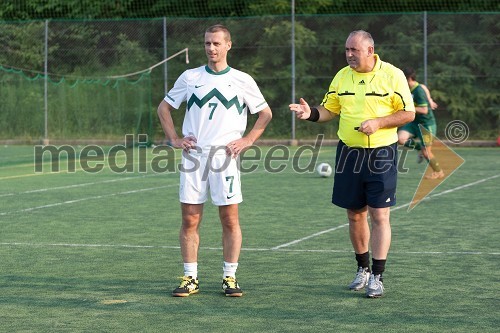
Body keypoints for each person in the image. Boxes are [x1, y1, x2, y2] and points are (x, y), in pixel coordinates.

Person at [289, 30, 415, 298]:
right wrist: (309, 113)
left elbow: (408, 113)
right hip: (348, 153)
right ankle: (363, 269)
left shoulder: (392, 75)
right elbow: (329, 110)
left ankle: (378, 276)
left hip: (381, 153)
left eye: (354, 50)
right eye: (346, 50)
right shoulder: (342, 76)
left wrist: (379, 122)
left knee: (379, 214)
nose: (348, 55)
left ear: (370, 51)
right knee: (354, 213)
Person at [157, 24, 272, 297]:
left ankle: (229, 278)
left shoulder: (243, 80)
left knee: (230, 219)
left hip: (225, 158)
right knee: (190, 219)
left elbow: (265, 114)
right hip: (194, 158)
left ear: (228, 45)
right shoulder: (190, 77)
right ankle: (190, 278)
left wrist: (248, 140)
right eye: (208, 43)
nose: (211, 48)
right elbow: (164, 108)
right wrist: (175, 139)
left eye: (217, 43)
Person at [398, 67, 444, 179]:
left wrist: (408, 107)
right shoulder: (409, 88)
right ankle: (419, 148)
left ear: (408, 78)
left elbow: (424, 110)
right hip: (414, 123)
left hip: (427, 125)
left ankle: (438, 172)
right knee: (400, 139)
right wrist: (430, 99)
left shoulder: (418, 90)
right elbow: (424, 87)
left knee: (426, 152)